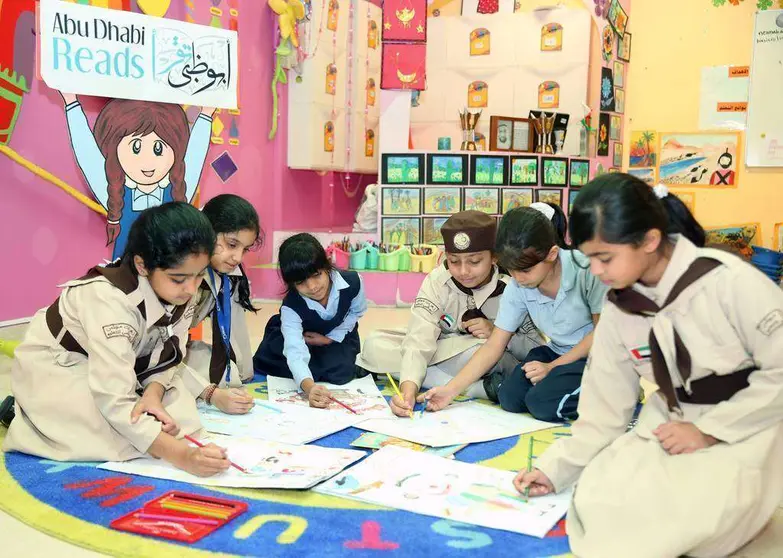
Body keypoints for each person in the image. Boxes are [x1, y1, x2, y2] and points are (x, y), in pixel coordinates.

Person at [514, 176, 783, 558]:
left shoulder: (729, 281)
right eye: (587, 258)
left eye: (604, 258)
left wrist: (708, 432)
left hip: (747, 423)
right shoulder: (621, 306)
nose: (596, 270)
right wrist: (554, 469)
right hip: (670, 421)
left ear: (650, 240)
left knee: (695, 518)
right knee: (603, 500)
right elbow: (603, 409)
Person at [3, 203, 254, 477]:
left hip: (123, 366)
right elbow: (113, 396)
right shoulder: (108, 299)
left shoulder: (183, 290)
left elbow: (170, 355)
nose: (191, 289)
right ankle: (21, 412)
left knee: (180, 416)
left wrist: (153, 394)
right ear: (142, 265)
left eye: (198, 276)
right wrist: (183, 456)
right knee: (109, 431)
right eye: (179, 278)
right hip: (63, 365)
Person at [421, 203, 608, 422]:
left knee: (542, 404)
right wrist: (449, 391)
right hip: (555, 351)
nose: (518, 278)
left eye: (526, 270)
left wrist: (553, 367)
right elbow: (495, 344)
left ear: (552, 254)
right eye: (511, 270)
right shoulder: (518, 286)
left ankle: (613, 391)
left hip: (598, 355)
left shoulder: (588, 271)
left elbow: (603, 333)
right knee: (510, 398)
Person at [356, 211, 543, 417]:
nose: (463, 271)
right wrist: (408, 390)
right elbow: (420, 338)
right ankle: (479, 388)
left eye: (474, 261)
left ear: (494, 257)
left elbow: (534, 348)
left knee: (483, 352)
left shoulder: (514, 287)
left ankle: (422, 377)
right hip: (439, 348)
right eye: (454, 261)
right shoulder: (437, 281)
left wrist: (496, 333)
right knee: (375, 344)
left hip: (478, 353)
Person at [60, 92, 214, 259]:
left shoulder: (178, 190)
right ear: (113, 150)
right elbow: (86, 153)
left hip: (166, 281)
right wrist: (71, 102)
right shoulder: (114, 193)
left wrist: (206, 114)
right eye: (136, 148)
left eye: (158, 149)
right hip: (125, 281)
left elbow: (195, 156)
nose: (148, 162)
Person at [253, 233, 368, 408]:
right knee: (274, 358)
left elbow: (356, 312)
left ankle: (323, 362)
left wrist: (330, 338)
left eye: (317, 275)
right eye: (301, 282)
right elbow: (295, 350)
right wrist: (309, 387)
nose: (312, 287)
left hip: (337, 335)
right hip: (303, 338)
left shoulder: (353, 282)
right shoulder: (291, 305)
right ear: (291, 284)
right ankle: (310, 372)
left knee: (341, 371)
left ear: (327, 265)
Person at [186, 194, 262, 388]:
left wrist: (244, 378)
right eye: (231, 244)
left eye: (245, 249)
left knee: (230, 377)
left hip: (176, 346)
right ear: (208, 231)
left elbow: (236, 331)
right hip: (147, 347)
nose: (237, 257)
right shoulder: (180, 268)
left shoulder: (231, 275)